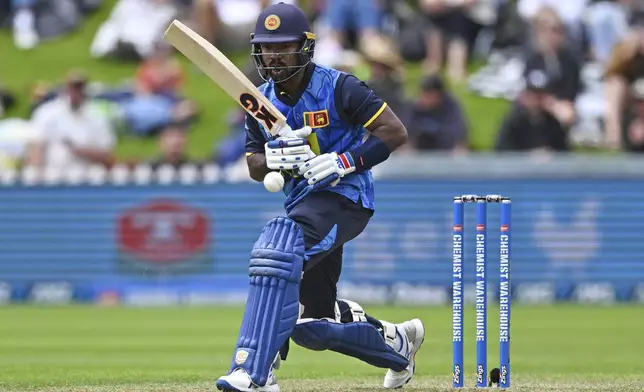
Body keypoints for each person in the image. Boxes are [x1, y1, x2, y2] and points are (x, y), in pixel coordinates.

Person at [215, 3, 424, 392]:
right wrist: (275, 157)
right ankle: (398, 343)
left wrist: (344, 161)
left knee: (276, 252)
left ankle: (254, 371)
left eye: (283, 47)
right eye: (266, 48)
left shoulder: (340, 86)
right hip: (303, 204)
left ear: (305, 48)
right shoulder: (257, 101)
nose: (273, 56)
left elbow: (394, 133)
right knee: (313, 326)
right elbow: (253, 163)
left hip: (346, 198)